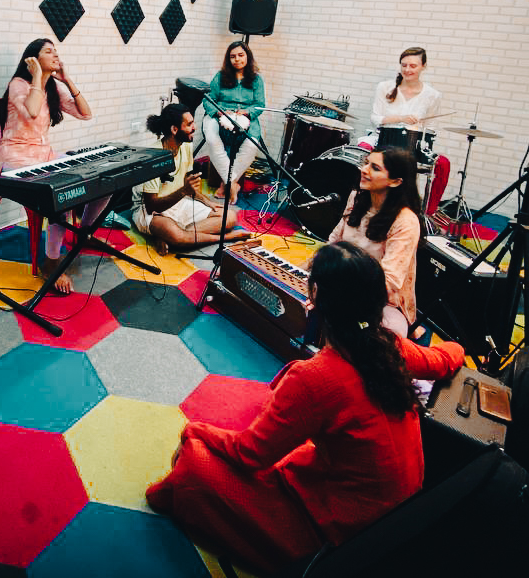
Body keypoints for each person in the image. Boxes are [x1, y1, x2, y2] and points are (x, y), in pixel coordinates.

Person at [145, 243, 465, 574]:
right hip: (394, 523)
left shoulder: (317, 377)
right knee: (299, 451)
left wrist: (195, 430)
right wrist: (459, 348)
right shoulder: (390, 345)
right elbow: (444, 359)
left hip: (340, 539)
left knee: (193, 462)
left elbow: (250, 454)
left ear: (313, 294)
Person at [0, 38, 106, 294]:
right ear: (33, 59)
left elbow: (85, 114)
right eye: (49, 51)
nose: (56, 55)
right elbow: (32, 112)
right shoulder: (18, 85)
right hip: (18, 160)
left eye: (56, 51)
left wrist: (67, 80)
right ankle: (52, 262)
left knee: (103, 179)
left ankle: (84, 233)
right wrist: (36, 77)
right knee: (61, 196)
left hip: (44, 157)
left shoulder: (52, 88)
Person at [327, 147, 422, 338]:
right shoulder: (357, 198)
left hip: (382, 303)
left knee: (381, 339)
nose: (364, 169)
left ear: (395, 181)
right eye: (366, 163)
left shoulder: (406, 221)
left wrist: (339, 300)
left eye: (375, 168)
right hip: (339, 283)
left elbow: (388, 282)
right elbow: (333, 244)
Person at [133, 103, 251, 254]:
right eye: (189, 124)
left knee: (230, 216)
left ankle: (167, 236)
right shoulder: (153, 157)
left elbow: (188, 185)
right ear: (174, 129)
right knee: (176, 235)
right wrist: (183, 192)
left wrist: (208, 202)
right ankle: (226, 237)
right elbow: (151, 207)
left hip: (177, 202)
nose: (194, 128)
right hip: (149, 210)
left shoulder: (186, 146)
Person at [361, 46, 450, 214]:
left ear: (424, 66)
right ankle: (361, 201)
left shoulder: (433, 95)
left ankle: (428, 212)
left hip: (412, 145)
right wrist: (400, 118)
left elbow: (430, 128)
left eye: (413, 66)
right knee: (362, 152)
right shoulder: (384, 87)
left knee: (443, 164)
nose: (407, 69)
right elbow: (375, 118)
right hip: (383, 139)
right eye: (404, 65)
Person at [201, 41, 266, 205]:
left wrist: (247, 113)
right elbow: (208, 100)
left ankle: (226, 184)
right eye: (232, 56)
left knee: (252, 145)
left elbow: (260, 105)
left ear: (247, 56)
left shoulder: (256, 79)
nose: (237, 59)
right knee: (211, 138)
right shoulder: (220, 76)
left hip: (246, 117)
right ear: (228, 59)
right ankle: (232, 184)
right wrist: (219, 111)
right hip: (219, 113)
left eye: (240, 55)